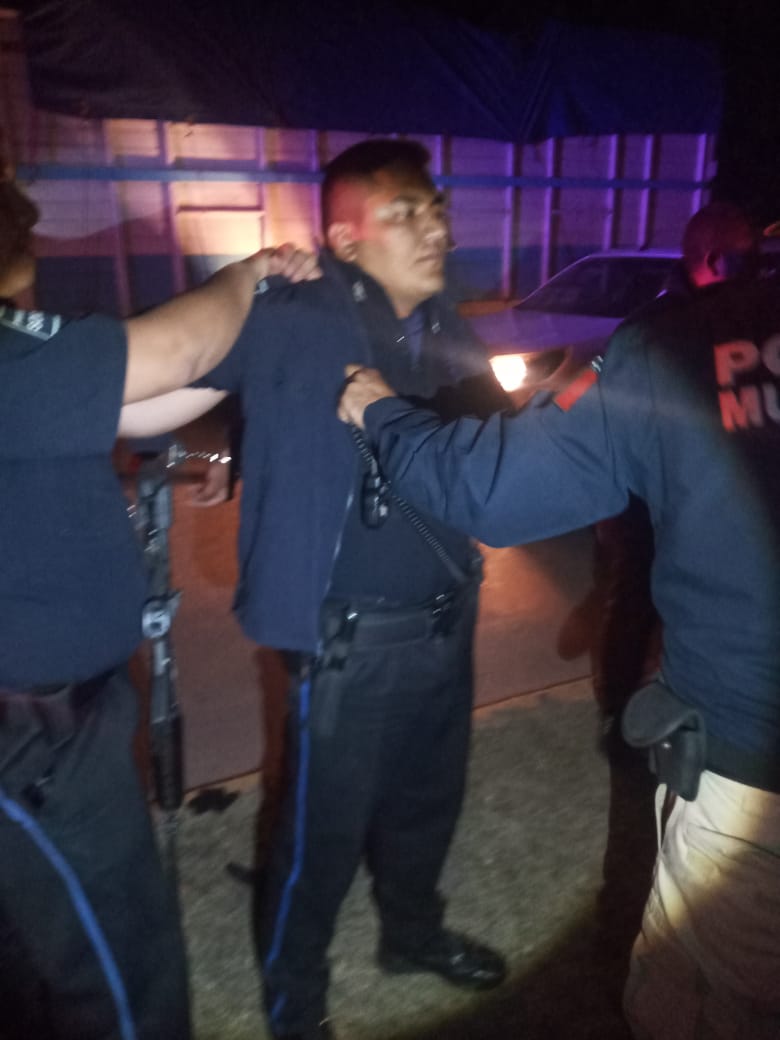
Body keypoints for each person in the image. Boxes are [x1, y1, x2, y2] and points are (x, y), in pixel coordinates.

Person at [338, 203, 780, 1039]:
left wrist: (380, 412)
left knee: (702, 1003)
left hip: (756, 777)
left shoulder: (676, 344)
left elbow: (495, 489)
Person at [155, 138, 509, 1040]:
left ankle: (411, 935)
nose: (435, 229)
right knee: (320, 839)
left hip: (449, 612)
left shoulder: (448, 323)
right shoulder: (296, 309)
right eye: (405, 213)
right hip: (350, 641)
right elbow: (166, 373)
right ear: (345, 239)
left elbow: (497, 449)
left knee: (429, 802)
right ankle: (295, 1007)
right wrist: (243, 279)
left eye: (437, 209)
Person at [0, 164, 318, 1040]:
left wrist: (259, 329)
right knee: (122, 973)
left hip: (59, 717)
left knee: (37, 946)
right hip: (31, 741)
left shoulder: (17, 348)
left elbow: (142, 403)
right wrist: (249, 276)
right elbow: (173, 353)